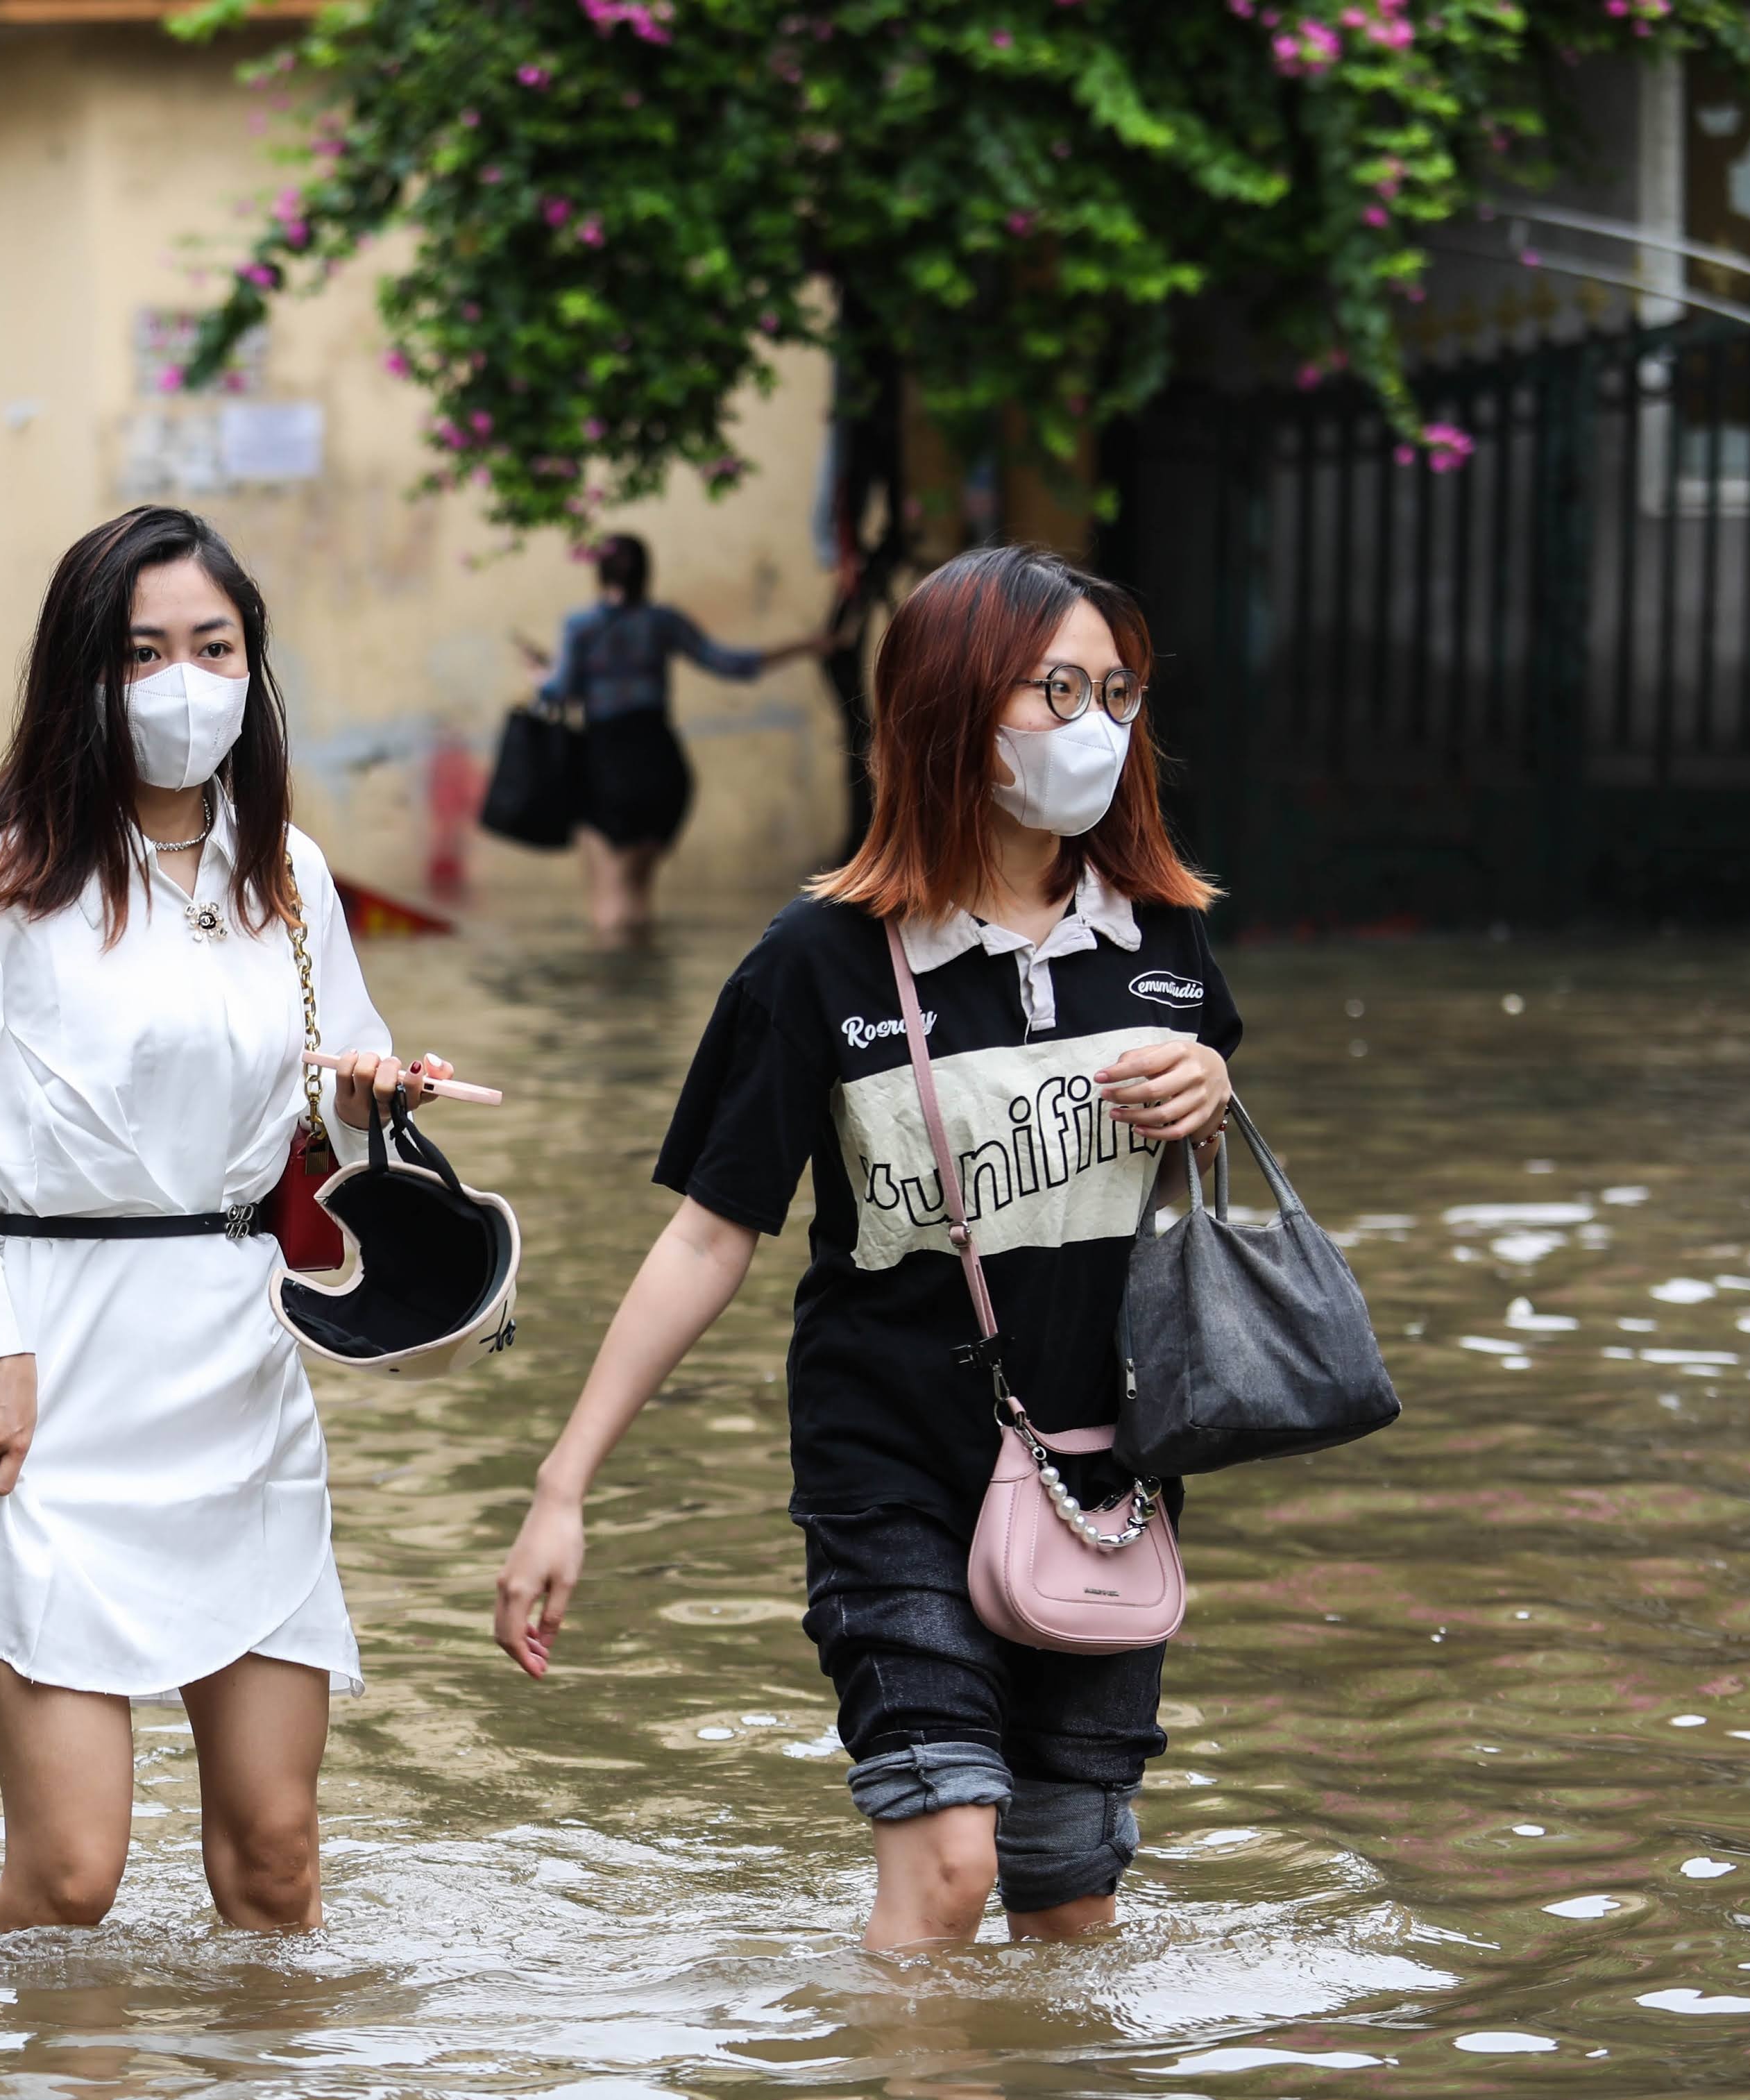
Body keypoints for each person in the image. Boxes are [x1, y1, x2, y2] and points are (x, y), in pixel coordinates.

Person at [489, 545, 1239, 1952]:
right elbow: (710, 1234)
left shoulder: (1165, 944)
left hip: (1109, 1468)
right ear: (952, 712)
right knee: (949, 1860)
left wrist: (1207, 1092)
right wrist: (562, 1484)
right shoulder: (815, 961)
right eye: (1053, 689)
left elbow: (1188, 1171)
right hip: (886, 1465)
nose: (1094, 724)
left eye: (1115, 691)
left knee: (1070, 1893)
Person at [0, 504, 448, 1936]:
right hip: (52, 1372)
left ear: (253, 665)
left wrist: (369, 1099)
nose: (183, 680)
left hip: (237, 1368)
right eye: (141, 653)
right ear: (80, 676)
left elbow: (332, 1118)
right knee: (68, 1877)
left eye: (212, 645)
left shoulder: (286, 876)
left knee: (276, 1858)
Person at [523, 533, 795, 942]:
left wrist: (539, 675)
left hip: (606, 762)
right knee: (639, 887)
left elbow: (557, 692)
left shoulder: (581, 626)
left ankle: (618, 994)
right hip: (660, 760)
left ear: (600, 574)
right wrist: (807, 647)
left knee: (611, 891)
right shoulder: (662, 622)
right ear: (646, 574)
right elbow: (729, 663)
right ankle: (644, 990)